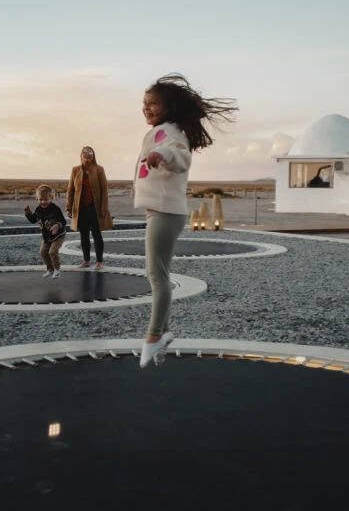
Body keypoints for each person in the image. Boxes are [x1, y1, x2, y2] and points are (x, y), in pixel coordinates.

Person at [134, 74, 238, 368]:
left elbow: (181, 156)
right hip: (160, 210)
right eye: (144, 103)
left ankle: (153, 336)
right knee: (159, 274)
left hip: (166, 212)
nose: (147, 108)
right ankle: (164, 331)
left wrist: (161, 153)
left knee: (156, 276)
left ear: (169, 107)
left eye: (153, 103)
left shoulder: (171, 132)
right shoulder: (163, 129)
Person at [66, 146, 112, 270]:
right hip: (81, 209)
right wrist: (69, 207)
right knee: (84, 235)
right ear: (80, 156)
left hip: (95, 208)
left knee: (97, 234)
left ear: (93, 156)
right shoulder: (75, 170)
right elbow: (70, 190)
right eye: (85, 153)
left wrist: (104, 208)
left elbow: (104, 190)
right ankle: (86, 261)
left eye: (90, 152)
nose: (88, 154)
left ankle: (99, 262)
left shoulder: (99, 169)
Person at [24, 185, 67, 278]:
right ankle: (50, 269)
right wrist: (28, 212)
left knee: (52, 252)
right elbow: (33, 220)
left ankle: (57, 270)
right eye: (41, 199)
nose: (43, 202)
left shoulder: (55, 208)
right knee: (43, 252)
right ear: (37, 199)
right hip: (47, 237)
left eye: (46, 199)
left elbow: (63, 221)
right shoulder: (38, 209)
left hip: (58, 235)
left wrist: (57, 225)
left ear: (51, 198)